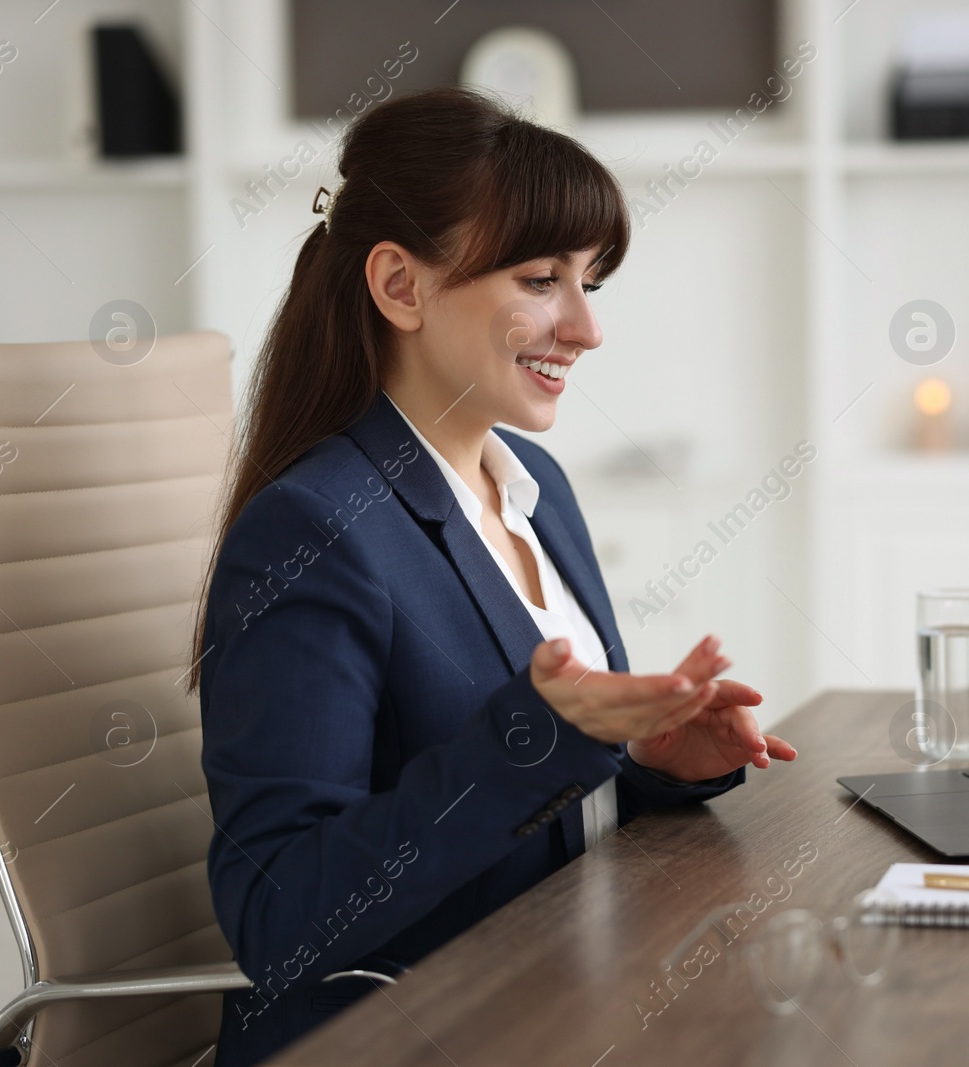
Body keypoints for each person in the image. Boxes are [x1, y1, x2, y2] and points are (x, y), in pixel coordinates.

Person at [190, 87, 796, 1066]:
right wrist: (545, 732)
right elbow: (280, 918)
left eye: (589, 282)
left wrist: (650, 759)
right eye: (540, 278)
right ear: (400, 285)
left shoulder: (535, 488)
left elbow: (538, 805)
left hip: (565, 986)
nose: (584, 328)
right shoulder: (308, 534)